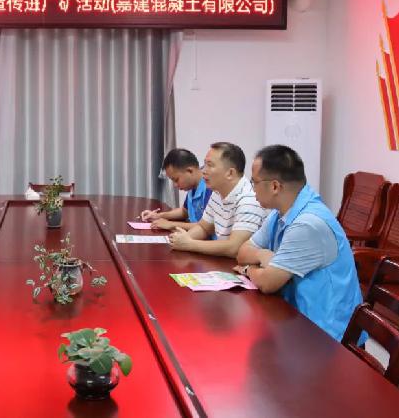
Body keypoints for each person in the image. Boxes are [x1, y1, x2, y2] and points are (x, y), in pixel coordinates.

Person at [234, 145, 363, 341]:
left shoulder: (307, 224)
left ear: (275, 186)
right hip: (296, 318)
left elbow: (268, 283)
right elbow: (243, 252)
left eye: (255, 182)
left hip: (329, 337)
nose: (252, 189)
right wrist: (262, 255)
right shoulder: (280, 213)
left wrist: (247, 270)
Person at [169, 142, 265, 257]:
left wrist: (189, 244)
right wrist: (182, 239)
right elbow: (204, 228)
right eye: (205, 164)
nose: (203, 171)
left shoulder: (249, 200)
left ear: (230, 173)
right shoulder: (217, 191)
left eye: (210, 165)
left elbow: (234, 248)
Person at [141, 148, 212, 232]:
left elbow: (205, 227)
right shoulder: (192, 187)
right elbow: (184, 211)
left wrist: (171, 224)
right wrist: (158, 216)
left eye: (176, 179)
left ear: (189, 171)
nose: (175, 185)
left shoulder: (209, 189)